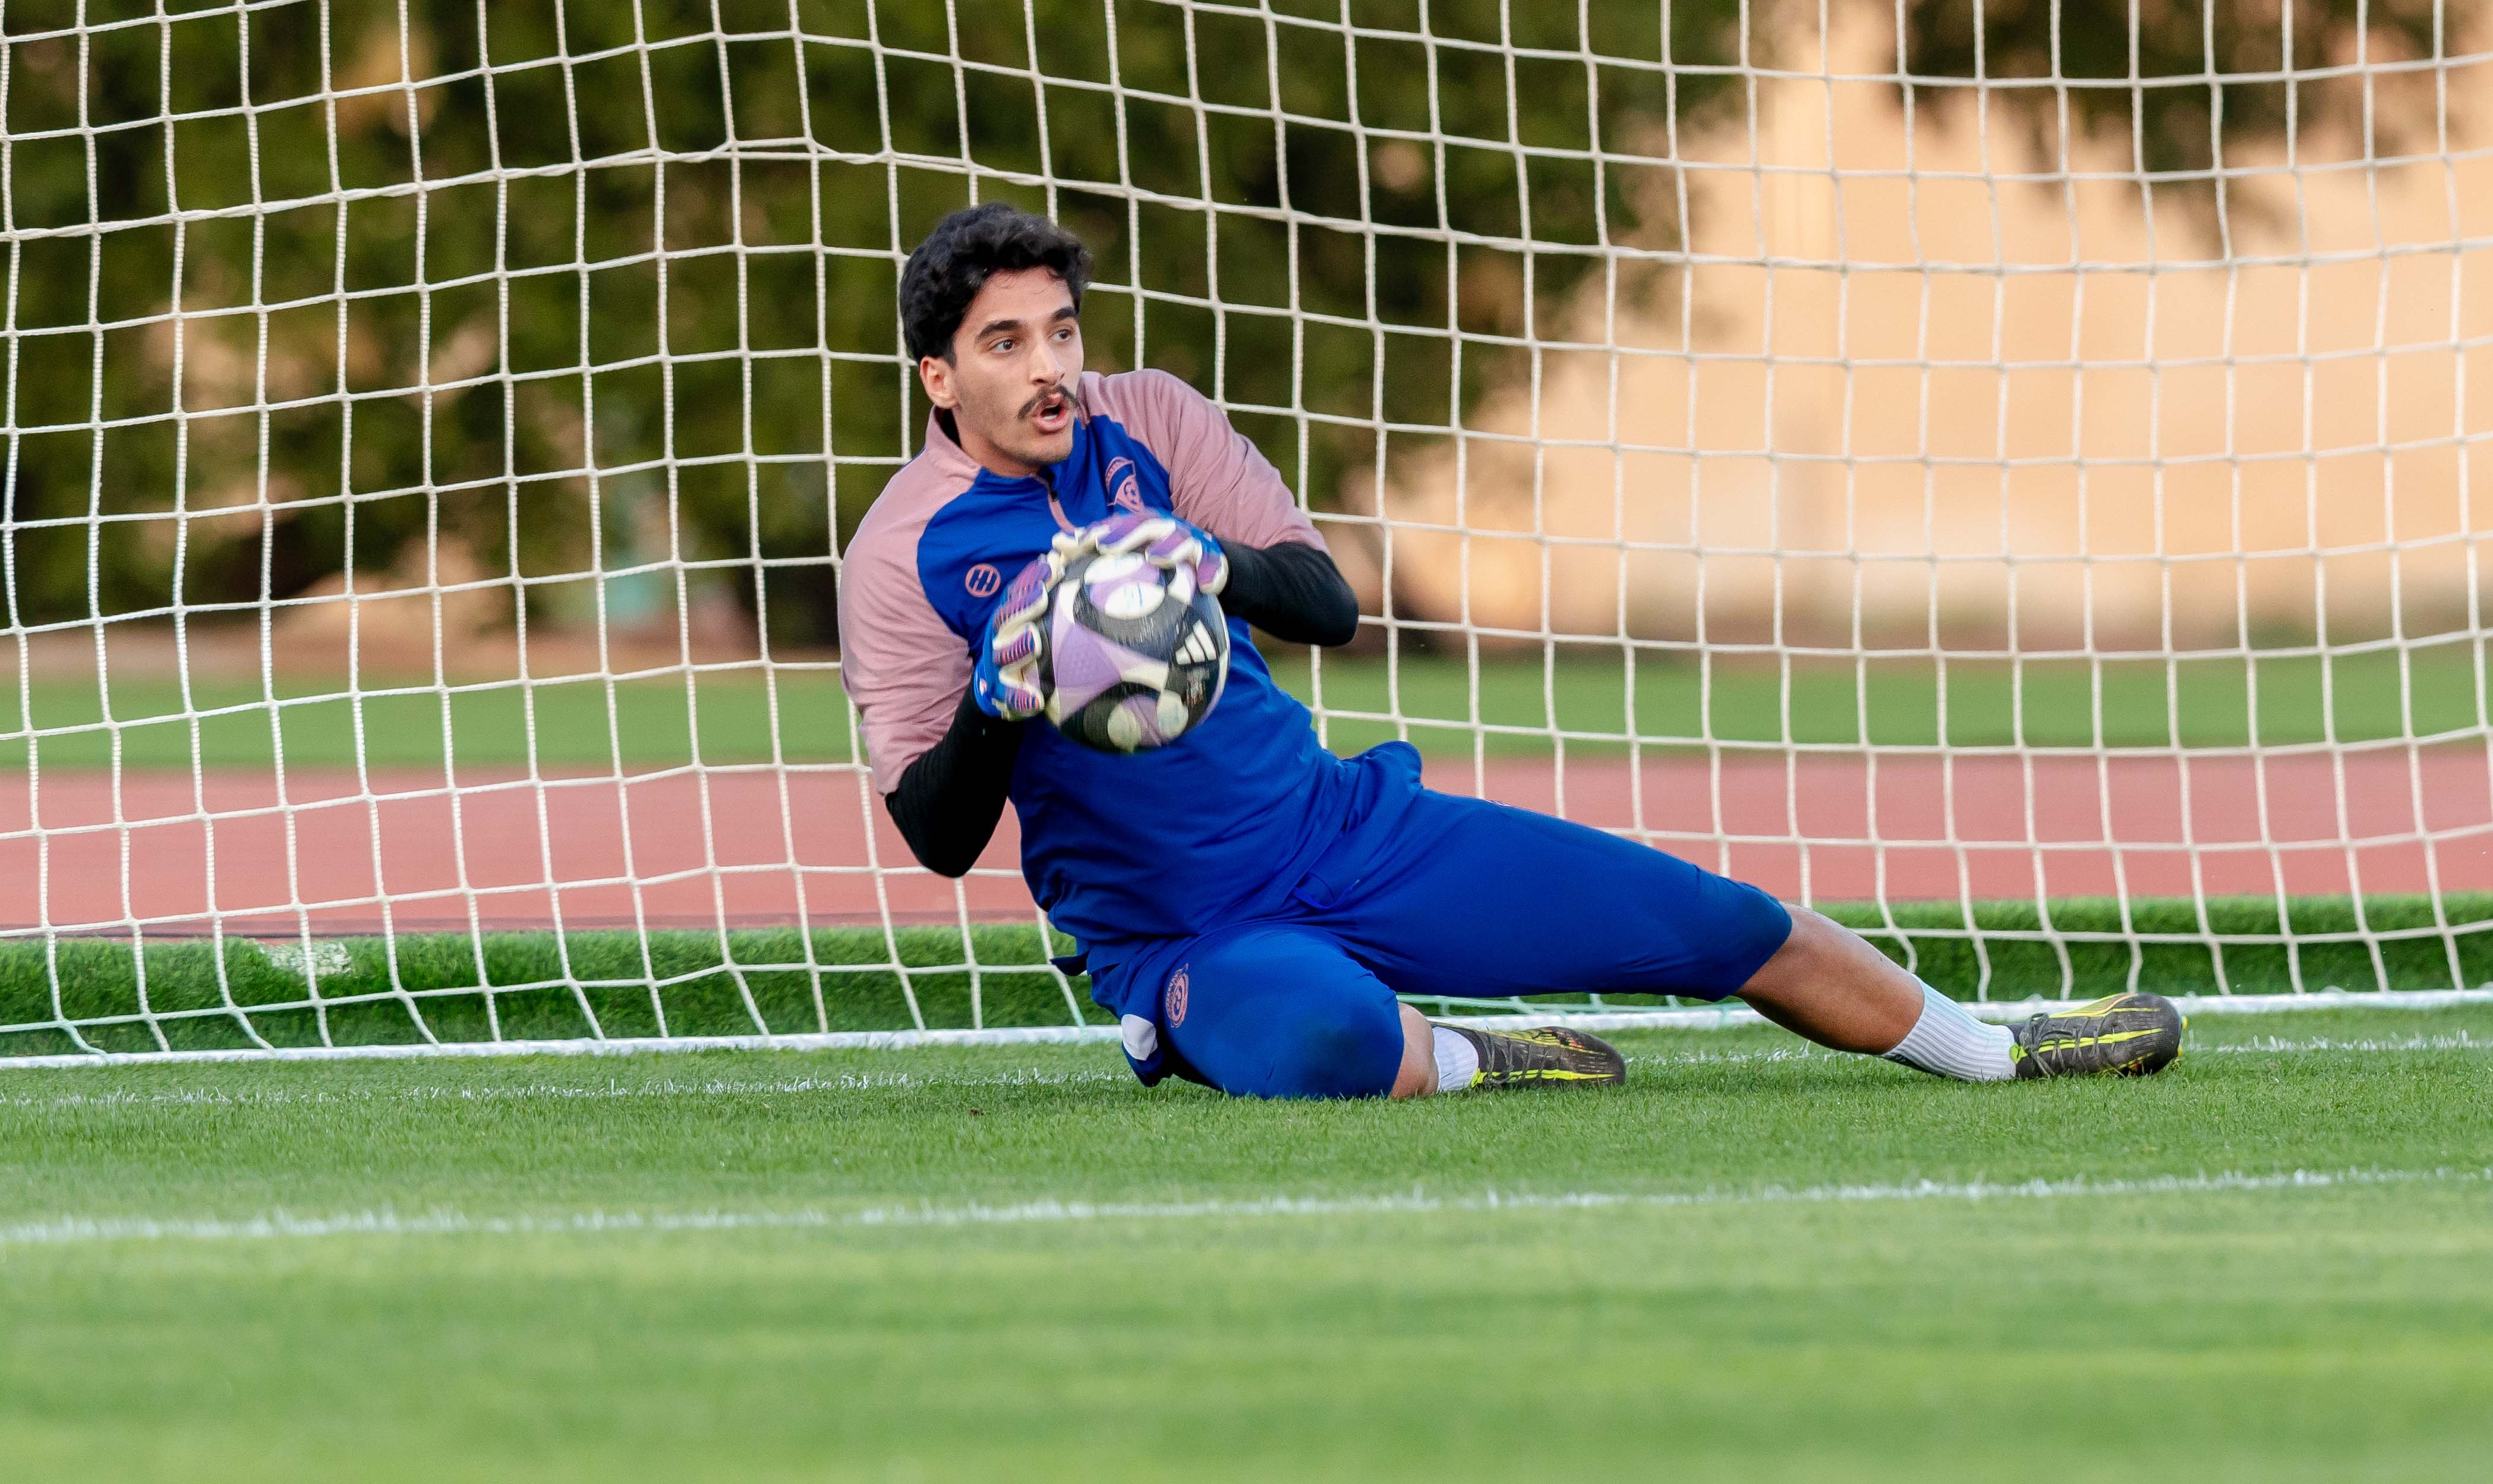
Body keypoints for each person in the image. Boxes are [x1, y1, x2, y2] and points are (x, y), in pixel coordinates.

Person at [836, 202, 2185, 1098]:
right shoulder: (901, 555)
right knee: (1330, 1035)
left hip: (1346, 829)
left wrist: (1210, 564)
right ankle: (1469, 1053)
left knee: (1711, 920)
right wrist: (1000, 693)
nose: (1049, 366)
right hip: (1183, 929)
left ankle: (1997, 1046)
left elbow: (1325, 602)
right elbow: (940, 836)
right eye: (1004, 343)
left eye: (1061, 330)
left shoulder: (1156, 423)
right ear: (940, 377)